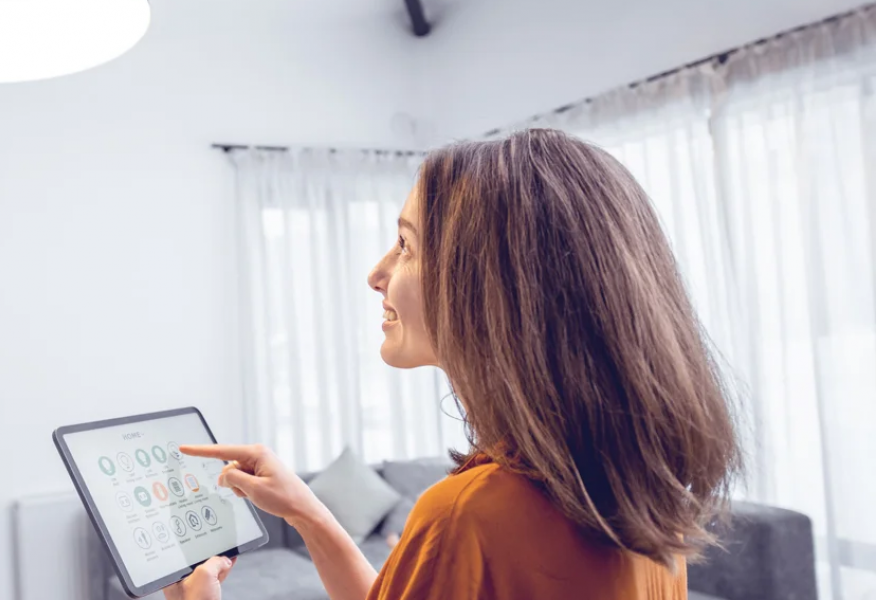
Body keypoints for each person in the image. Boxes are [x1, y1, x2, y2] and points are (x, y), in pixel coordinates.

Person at [167, 129, 741, 600]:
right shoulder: (636, 491)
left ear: (491, 286)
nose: (377, 273)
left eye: (406, 246)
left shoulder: (468, 517)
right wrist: (310, 514)